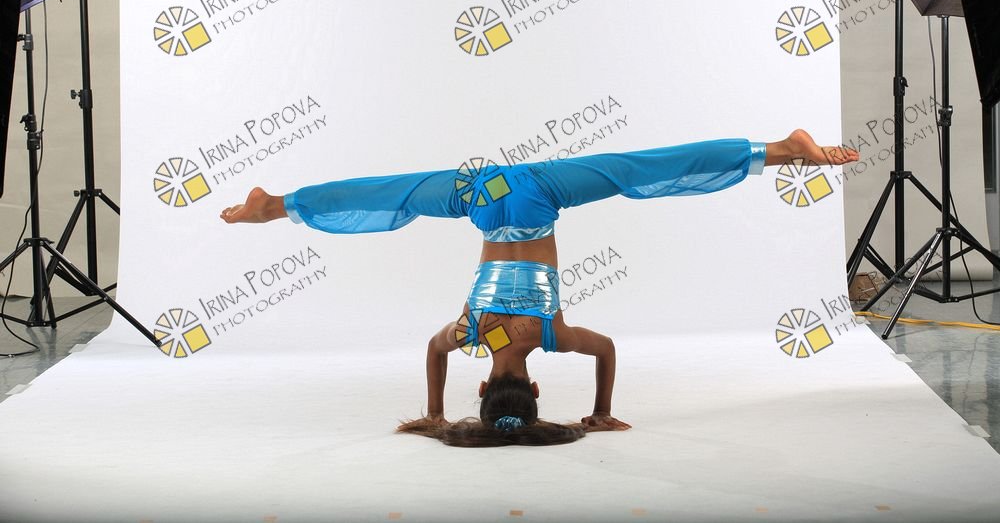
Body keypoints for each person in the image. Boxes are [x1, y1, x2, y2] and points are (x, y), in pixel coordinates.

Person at [220, 129, 859, 447]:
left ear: (535, 388)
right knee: (400, 193)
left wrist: (601, 410)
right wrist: (435, 411)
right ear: (484, 387)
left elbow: (607, 348)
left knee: (632, 171)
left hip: (539, 193)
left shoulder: (550, 335)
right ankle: (276, 205)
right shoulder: (470, 333)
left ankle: (779, 150)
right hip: (486, 194)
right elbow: (433, 351)